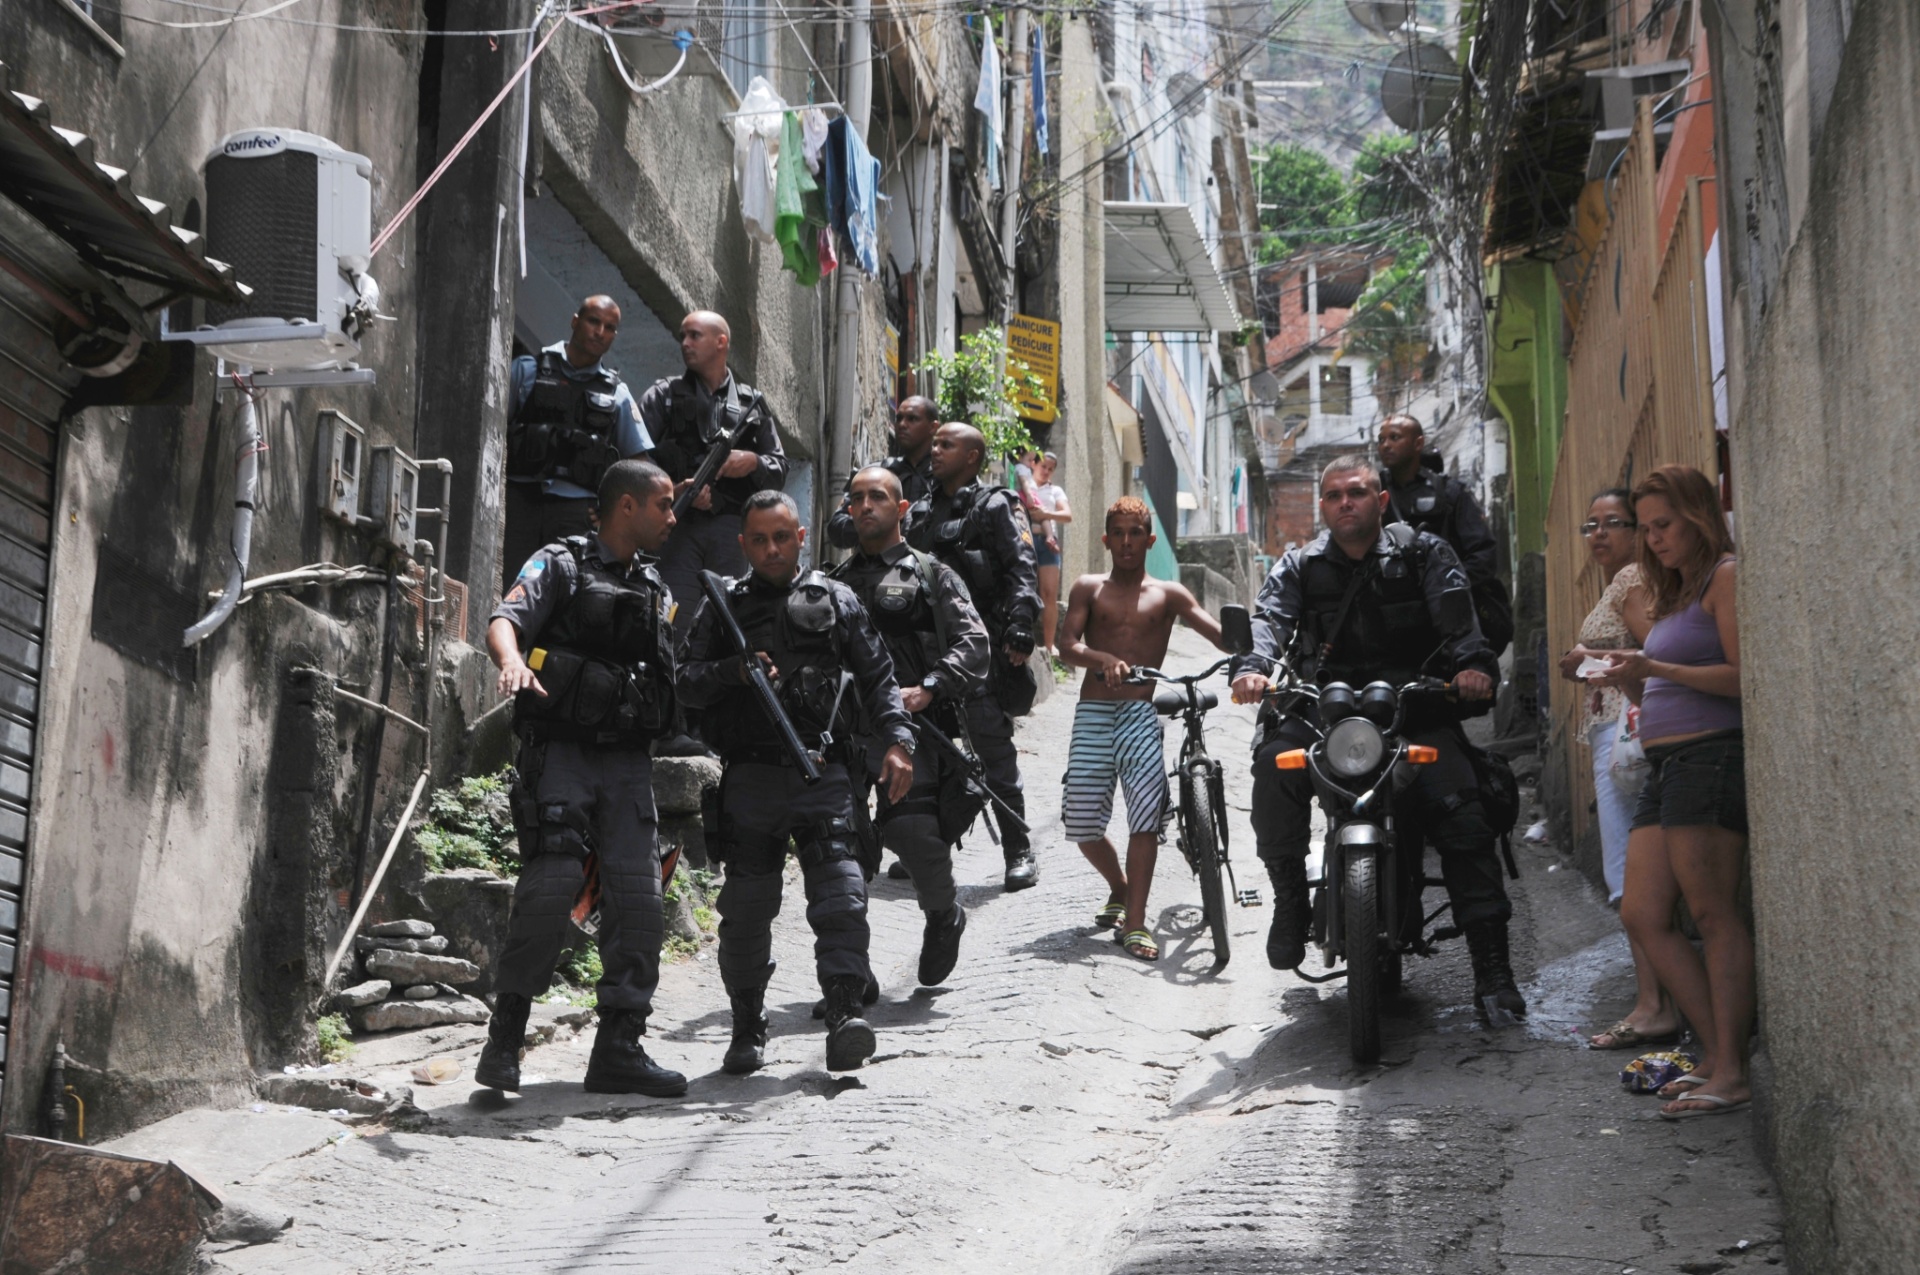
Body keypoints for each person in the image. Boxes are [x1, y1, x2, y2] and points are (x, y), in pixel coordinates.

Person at [1229, 455, 1524, 1022]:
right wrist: (1253, 669)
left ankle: (1493, 970)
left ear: (1381, 500)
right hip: (1325, 707)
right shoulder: (1300, 564)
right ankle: (1289, 898)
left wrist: (1472, 667)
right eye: (1335, 494)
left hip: (1414, 704)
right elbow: (1269, 621)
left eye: (1358, 492)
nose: (1346, 502)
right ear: (1323, 506)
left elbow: (1460, 623)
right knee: (1273, 765)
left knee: (1462, 807)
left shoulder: (1424, 554)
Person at [675, 491, 915, 1075]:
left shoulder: (836, 599)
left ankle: (843, 1016)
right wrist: (733, 672)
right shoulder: (723, 604)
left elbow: (879, 675)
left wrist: (899, 741)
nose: (771, 549)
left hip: (824, 771)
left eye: (782, 537)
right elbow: (682, 681)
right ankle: (746, 1026)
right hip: (751, 779)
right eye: (758, 540)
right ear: (743, 544)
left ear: (802, 536)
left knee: (840, 899)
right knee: (747, 910)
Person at [478, 460, 686, 1097]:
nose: (673, 518)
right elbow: (504, 618)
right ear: (627, 506)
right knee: (552, 886)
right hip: (562, 751)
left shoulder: (657, 585)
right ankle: (505, 1038)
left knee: (641, 899)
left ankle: (619, 1047)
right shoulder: (561, 562)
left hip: (626, 760)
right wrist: (511, 663)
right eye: (664, 504)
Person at [1591, 465, 1749, 1120]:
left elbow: (1742, 677)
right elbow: (1661, 685)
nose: (1652, 539)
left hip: (1709, 758)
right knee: (1642, 912)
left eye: (1663, 525)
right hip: (1666, 764)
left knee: (1712, 915)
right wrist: (1633, 677)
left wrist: (1653, 664)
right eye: (1647, 528)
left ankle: (1732, 1069)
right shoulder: (1679, 590)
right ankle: (1712, 1055)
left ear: (1697, 516)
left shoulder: (1725, 577)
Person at [830, 466, 988, 986]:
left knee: (914, 833)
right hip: (851, 735)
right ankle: (852, 972)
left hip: (917, 730)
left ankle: (944, 916)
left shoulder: (931, 573)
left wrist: (931, 687)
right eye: (857, 498)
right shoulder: (833, 586)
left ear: (901, 510)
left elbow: (974, 644)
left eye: (878, 496)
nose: (866, 505)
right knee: (843, 853)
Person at [1057, 497, 1227, 961]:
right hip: (1092, 714)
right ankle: (1120, 885)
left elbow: (1219, 635)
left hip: (1139, 716)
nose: (1127, 542)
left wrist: (1251, 644)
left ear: (1150, 540)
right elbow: (1065, 643)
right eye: (1119, 533)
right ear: (1106, 539)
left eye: (1137, 534)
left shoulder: (1169, 594)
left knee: (1145, 819)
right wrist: (1102, 659)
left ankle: (1135, 923)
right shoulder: (1088, 588)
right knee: (1081, 823)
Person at [1558, 490, 1675, 1051]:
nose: (1598, 533)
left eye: (1613, 523)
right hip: (1620, 729)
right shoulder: (1621, 580)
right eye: (1590, 524)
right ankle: (1655, 998)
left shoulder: (1632, 578)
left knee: (1628, 874)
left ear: (1637, 531)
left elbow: (1654, 650)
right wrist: (1581, 662)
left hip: (1628, 733)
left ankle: (1655, 1004)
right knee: (1633, 872)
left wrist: (1588, 661)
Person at [905, 423, 1043, 891]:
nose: (935, 450)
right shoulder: (921, 509)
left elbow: (1022, 568)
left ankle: (1018, 848)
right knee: (931, 751)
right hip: (926, 652)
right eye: (936, 442)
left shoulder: (996, 505)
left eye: (946, 445)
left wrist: (1023, 623)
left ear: (972, 457)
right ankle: (930, 843)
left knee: (992, 750)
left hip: (977, 649)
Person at [639, 310, 788, 625]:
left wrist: (752, 462)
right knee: (669, 622)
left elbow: (779, 468)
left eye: (694, 335)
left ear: (721, 342)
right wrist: (672, 491)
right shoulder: (664, 395)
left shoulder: (752, 405)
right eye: (683, 336)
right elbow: (634, 459)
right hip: (677, 525)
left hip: (729, 531)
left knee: (721, 625)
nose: (685, 343)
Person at [501, 296, 652, 594]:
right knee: (515, 590)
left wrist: (611, 510)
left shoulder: (617, 394)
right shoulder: (527, 370)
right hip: (522, 498)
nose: (600, 332)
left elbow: (640, 466)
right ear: (575, 321)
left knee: (563, 594)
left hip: (576, 511)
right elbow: (493, 430)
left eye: (609, 327)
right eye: (593, 321)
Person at [1376, 414, 1511, 656]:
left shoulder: (1450, 494)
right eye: (1381, 439)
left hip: (1450, 622)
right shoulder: (1372, 497)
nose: (1385, 445)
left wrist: (1446, 587)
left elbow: (1484, 555)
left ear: (1418, 443)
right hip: (1392, 619)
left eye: (1394, 437)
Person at [825, 396, 940, 550]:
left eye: (912, 419)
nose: (902, 425)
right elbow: (836, 527)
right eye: (899, 419)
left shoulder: (945, 477)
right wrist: (879, 524)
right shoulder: (874, 473)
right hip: (876, 569)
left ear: (933, 427)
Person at [1029, 453, 1073, 657]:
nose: (1046, 471)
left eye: (1050, 469)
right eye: (1043, 466)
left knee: (1049, 595)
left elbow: (1067, 515)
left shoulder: (1055, 490)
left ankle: (1049, 644)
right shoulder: (1024, 485)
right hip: (1025, 541)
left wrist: (1046, 514)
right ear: (1034, 464)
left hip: (1048, 544)